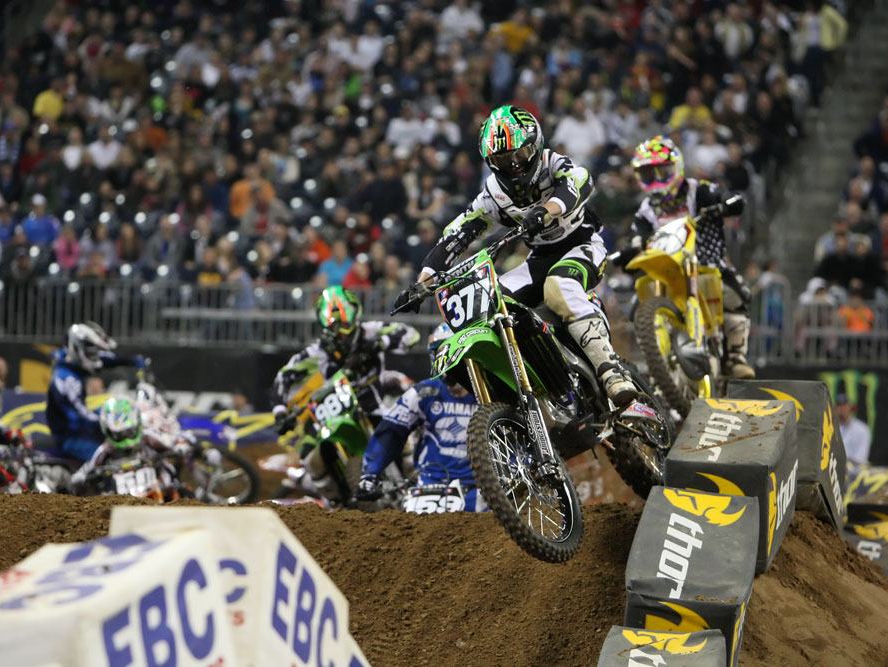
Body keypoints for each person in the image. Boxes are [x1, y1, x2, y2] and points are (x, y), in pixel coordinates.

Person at [395, 105, 638, 406]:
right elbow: (456, 236)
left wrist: (544, 211)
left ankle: (611, 371)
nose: (514, 167)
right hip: (540, 258)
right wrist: (422, 282)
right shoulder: (493, 195)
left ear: (535, 147)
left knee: (559, 286)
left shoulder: (553, 163)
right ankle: (539, 384)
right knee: (492, 305)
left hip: (582, 244)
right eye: (503, 160)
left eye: (519, 156)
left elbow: (581, 182)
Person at [627, 135, 753, 379]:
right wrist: (630, 249)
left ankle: (736, 355)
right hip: (666, 272)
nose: (656, 180)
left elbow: (727, 197)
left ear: (676, 168)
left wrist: (728, 202)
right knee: (635, 306)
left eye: (661, 172)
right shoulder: (645, 210)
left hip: (706, 264)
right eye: (648, 175)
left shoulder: (699, 190)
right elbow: (638, 236)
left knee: (737, 292)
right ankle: (655, 361)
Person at [356, 325, 484, 512]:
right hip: (431, 485)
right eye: (440, 354)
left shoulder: (488, 391)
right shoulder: (424, 392)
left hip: (482, 488)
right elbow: (391, 429)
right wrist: (370, 475)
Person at [271, 286, 420, 423]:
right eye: (335, 327)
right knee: (309, 447)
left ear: (354, 318)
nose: (342, 334)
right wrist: (280, 412)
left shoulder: (370, 331)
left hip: (376, 410)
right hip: (336, 419)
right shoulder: (318, 350)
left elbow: (411, 334)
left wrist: (379, 343)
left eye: (345, 325)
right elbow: (283, 376)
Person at [46, 322, 148, 461]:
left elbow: (104, 358)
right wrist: (108, 419)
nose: (96, 356)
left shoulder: (73, 359)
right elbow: (79, 415)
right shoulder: (64, 379)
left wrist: (130, 361)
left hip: (84, 430)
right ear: (78, 348)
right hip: (70, 436)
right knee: (111, 458)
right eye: (92, 352)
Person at [835, 393, 871, 464]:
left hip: (856, 470)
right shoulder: (832, 428)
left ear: (850, 408)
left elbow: (861, 457)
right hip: (835, 469)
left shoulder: (862, 429)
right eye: (839, 406)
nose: (842, 409)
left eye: (844, 406)